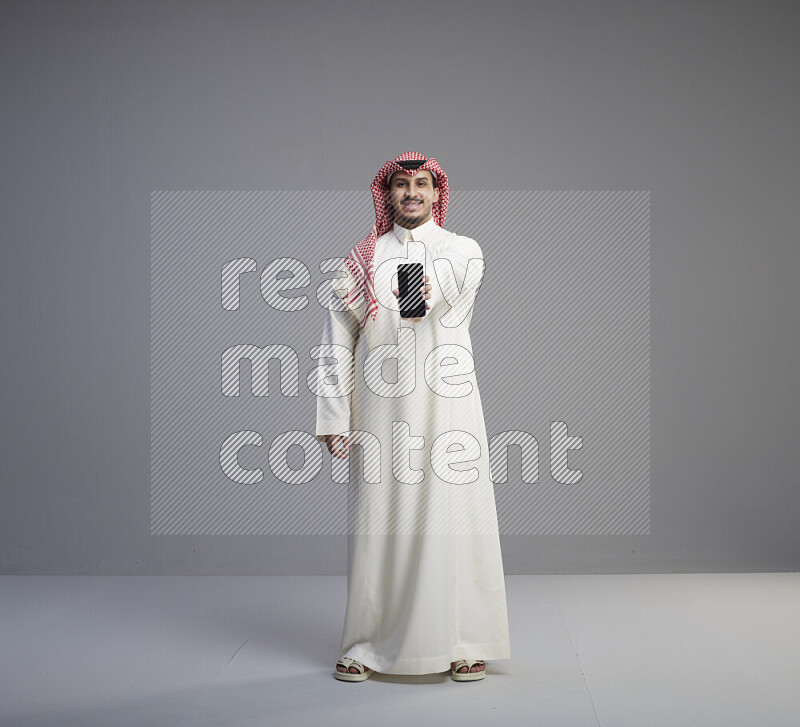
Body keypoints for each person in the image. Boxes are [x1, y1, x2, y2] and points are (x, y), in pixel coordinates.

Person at [314, 151, 511, 682]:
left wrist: (417, 285)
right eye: (401, 185)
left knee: (454, 517)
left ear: (435, 192)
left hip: (448, 405)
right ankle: (365, 643)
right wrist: (334, 416)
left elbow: (437, 293)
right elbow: (337, 340)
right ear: (388, 195)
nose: (411, 194)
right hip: (380, 408)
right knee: (377, 521)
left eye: (421, 184)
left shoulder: (462, 250)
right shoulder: (361, 258)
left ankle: (465, 641)